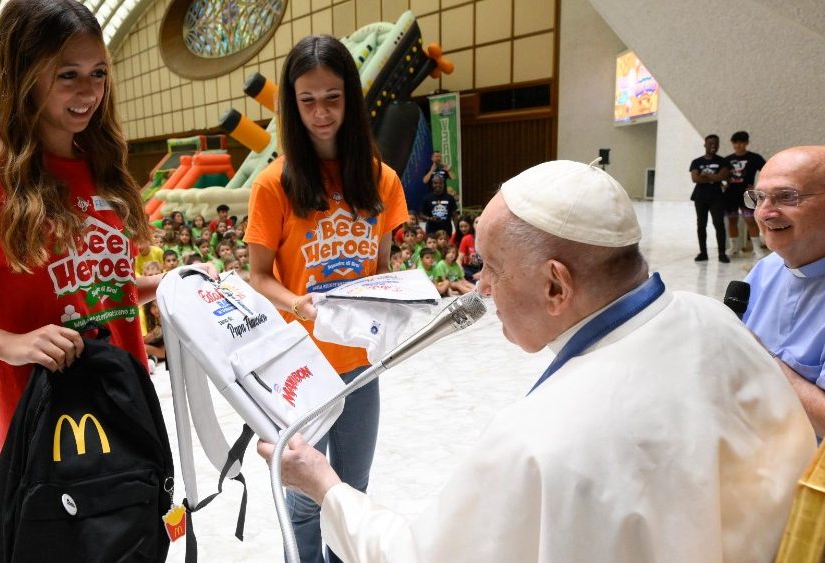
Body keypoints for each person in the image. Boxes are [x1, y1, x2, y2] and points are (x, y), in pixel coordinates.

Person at [260, 159, 814, 562]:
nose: (481, 287)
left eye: (492, 268)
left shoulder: (539, 442)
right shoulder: (716, 320)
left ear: (555, 286)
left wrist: (323, 484)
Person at [0, 0, 200, 449]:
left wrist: (170, 284)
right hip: (51, 431)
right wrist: (9, 345)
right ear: (23, 75)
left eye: (98, 73)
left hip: (130, 406)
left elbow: (96, 294)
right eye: (68, 75)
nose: (89, 91)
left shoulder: (101, 164)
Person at [245, 34, 408, 563]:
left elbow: (381, 269)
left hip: (360, 364)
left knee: (351, 490)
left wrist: (397, 303)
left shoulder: (381, 180)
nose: (321, 113)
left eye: (333, 98)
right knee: (302, 499)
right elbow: (258, 277)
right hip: (300, 367)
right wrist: (300, 304)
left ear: (351, 100)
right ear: (292, 105)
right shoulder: (273, 185)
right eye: (307, 100)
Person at [742, 146, 825, 436]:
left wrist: (758, 358)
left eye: (787, 197)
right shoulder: (767, 269)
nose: (764, 213)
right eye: (759, 198)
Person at [689, 134, 732, 262]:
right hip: (700, 197)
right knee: (701, 225)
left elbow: (722, 177)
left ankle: (722, 254)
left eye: (715, 143)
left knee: (719, 224)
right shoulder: (696, 162)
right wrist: (715, 176)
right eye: (710, 143)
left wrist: (705, 175)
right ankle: (703, 253)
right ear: (705, 144)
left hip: (717, 197)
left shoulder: (723, 161)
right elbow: (695, 179)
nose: (713, 146)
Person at [724, 131, 767, 255]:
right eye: (735, 142)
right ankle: (734, 247)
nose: (738, 145)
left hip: (748, 194)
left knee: (751, 220)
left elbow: (766, 171)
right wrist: (722, 184)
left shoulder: (755, 158)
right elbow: (720, 175)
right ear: (732, 143)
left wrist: (758, 187)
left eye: (741, 142)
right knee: (732, 220)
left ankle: (756, 249)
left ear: (747, 143)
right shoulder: (727, 160)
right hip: (730, 194)